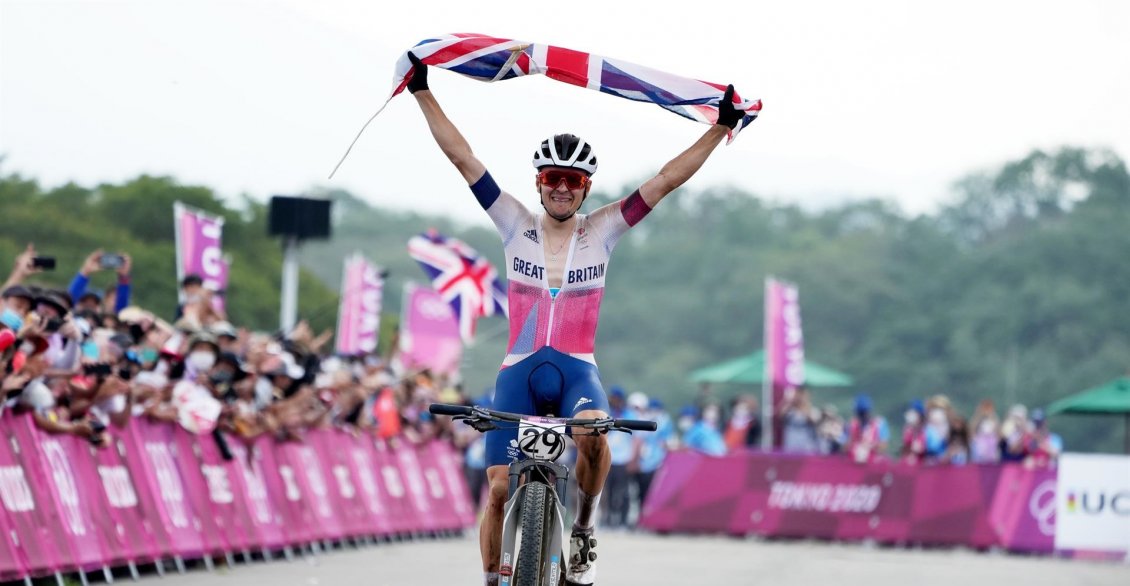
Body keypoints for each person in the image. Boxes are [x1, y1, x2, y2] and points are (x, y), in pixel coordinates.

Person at [406, 52, 744, 586]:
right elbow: (463, 158)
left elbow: (666, 180)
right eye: (552, 177)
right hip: (518, 372)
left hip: (576, 372)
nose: (562, 187)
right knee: (498, 490)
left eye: (573, 179)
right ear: (539, 182)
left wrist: (720, 127)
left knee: (593, 435)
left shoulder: (603, 229)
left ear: (586, 187)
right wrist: (422, 90)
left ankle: (584, 527)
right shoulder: (513, 222)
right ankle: (493, 577)